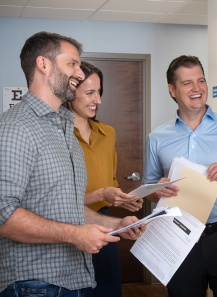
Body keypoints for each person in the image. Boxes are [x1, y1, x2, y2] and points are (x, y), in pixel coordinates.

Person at [0, 31, 144, 297]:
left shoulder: (64, 130)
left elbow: (67, 207)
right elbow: (3, 214)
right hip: (34, 286)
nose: (79, 73)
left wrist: (116, 225)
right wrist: (75, 235)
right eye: (72, 64)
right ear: (43, 65)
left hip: (73, 279)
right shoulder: (15, 127)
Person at [143, 55, 217, 297]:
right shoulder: (157, 137)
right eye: (187, 83)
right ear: (172, 90)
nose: (197, 89)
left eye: (201, 80)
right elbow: (150, 191)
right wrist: (157, 190)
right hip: (178, 236)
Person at [67, 61, 144, 297]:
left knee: (108, 291)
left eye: (99, 92)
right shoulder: (57, 136)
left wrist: (122, 198)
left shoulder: (107, 132)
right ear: (70, 93)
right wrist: (102, 193)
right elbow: (55, 197)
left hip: (104, 223)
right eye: (89, 93)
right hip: (68, 226)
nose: (97, 100)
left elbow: (110, 181)